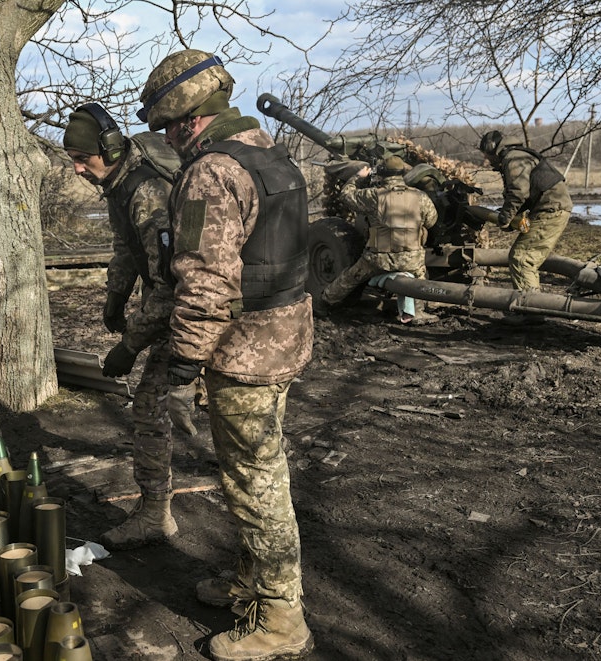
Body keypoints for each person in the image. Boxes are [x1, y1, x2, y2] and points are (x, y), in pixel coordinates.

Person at [138, 49, 315, 661]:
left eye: (166, 126)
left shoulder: (210, 172)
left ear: (186, 119)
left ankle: (280, 617)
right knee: (253, 471)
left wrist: (184, 365)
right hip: (284, 336)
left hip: (242, 352)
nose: (166, 138)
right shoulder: (272, 156)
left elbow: (207, 282)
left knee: (255, 481)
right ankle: (250, 584)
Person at [62, 102, 198, 550]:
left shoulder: (147, 192)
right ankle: (156, 511)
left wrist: (129, 346)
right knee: (158, 405)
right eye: (73, 161)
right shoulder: (119, 184)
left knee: (150, 406)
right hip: (181, 306)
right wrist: (115, 298)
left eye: (83, 159)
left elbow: (169, 286)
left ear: (109, 148)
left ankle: (156, 515)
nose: (78, 170)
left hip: (200, 309)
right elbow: (126, 248)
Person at [313, 156, 439, 324]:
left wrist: (358, 177)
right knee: (421, 276)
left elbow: (346, 195)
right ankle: (417, 312)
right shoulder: (420, 197)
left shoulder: (374, 196)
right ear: (402, 173)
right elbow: (431, 221)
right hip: (411, 259)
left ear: (383, 174)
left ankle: (323, 303)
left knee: (349, 278)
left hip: (378, 259)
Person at [478, 130, 572, 292]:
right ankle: (533, 306)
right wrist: (511, 214)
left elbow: (518, 192)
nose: (487, 161)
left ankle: (529, 311)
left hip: (550, 209)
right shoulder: (519, 155)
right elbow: (524, 194)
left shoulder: (513, 158)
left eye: (487, 156)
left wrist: (505, 218)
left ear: (492, 148)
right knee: (523, 258)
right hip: (550, 207)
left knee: (522, 259)